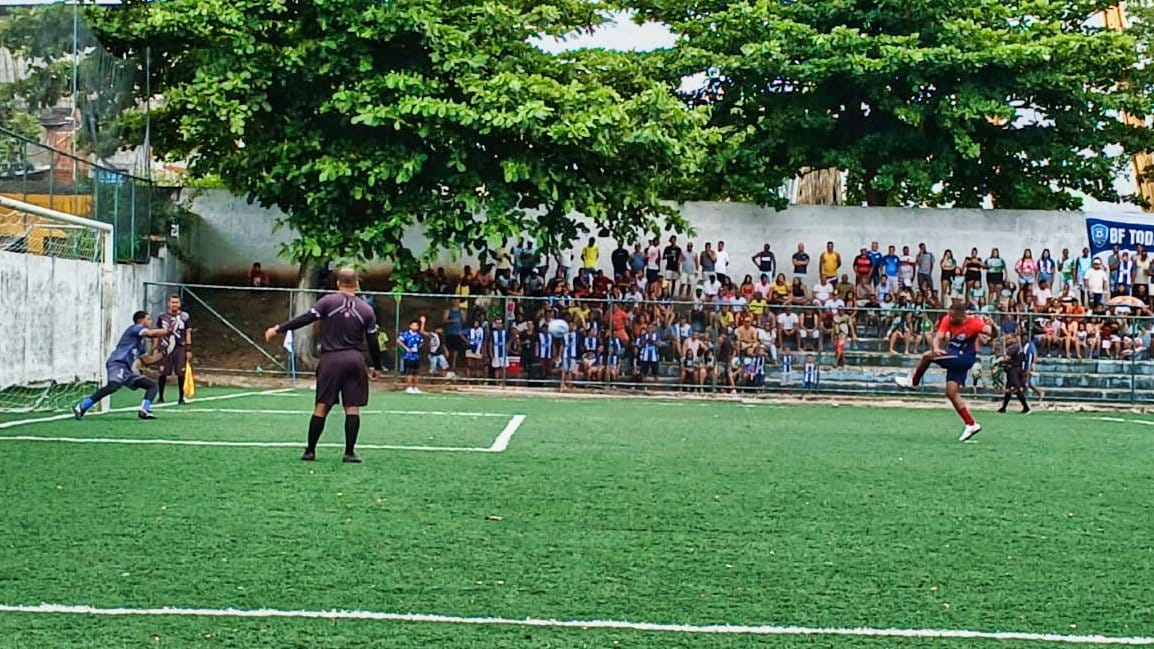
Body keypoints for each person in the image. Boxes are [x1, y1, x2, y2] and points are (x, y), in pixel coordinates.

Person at [264, 269, 383, 463]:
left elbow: (305, 319)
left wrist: (279, 329)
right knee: (352, 408)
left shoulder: (327, 302)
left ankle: (310, 451)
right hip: (354, 360)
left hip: (330, 360)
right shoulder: (366, 309)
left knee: (321, 406)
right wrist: (377, 367)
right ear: (357, 284)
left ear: (337, 283)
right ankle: (349, 453)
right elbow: (372, 340)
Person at [895, 302, 993, 441]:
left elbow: (992, 333)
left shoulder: (975, 323)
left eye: (953, 316)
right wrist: (936, 348)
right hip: (954, 354)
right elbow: (939, 336)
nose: (950, 318)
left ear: (961, 315)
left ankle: (913, 382)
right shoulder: (947, 318)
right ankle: (971, 424)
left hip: (965, 357)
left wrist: (993, 325)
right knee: (951, 392)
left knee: (927, 356)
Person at [73, 311, 170, 420]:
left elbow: (147, 360)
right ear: (141, 321)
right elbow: (151, 334)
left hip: (126, 370)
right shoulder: (134, 328)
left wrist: (163, 354)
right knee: (113, 386)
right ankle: (82, 406)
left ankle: (144, 410)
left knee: (152, 385)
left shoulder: (141, 344)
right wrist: (167, 331)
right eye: (148, 319)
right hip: (118, 363)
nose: (150, 321)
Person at [154, 294, 192, 404]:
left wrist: (188, 349)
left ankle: (181, 397)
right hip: (166, 347)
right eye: (172, 302)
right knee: (163, 373)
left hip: (180, 347)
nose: (174, 305)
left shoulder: (185, 316)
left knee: (181, 373)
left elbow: (188, 333)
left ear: (179, 304)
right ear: (168, 303)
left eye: (176, 302)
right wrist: (155, 348)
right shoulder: (162, 316)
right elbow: (157, 332)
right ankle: (160, 397)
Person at [996, 335, 1031, 414]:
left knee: (1017, 389)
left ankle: (1026, 407)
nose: (1007, 340)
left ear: (1014, 339)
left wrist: (998, 362)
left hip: (1014, 370)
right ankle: (1003, 408)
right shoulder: (1016, 347)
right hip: (1014, 369)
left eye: (1009, 338)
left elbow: (1007, 358)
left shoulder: (1014, 347)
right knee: (1008, 389)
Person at [398, 317, 425, 393]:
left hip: (416, 356)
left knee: (416, 373)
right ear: (410, 326)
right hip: (408, 356)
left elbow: (422, 342)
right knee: (409, 372)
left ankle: (415, 387)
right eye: (413, 325)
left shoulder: (418, 335)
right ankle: (409, 387)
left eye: (416, 325)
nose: (415, 327)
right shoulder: (406, 334)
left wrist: (418, 347)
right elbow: (399, 340)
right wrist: (406, 348)